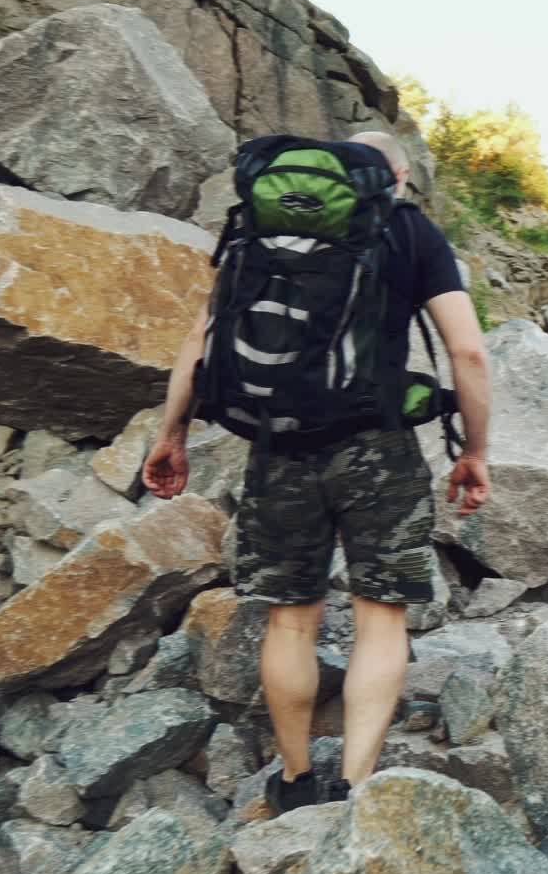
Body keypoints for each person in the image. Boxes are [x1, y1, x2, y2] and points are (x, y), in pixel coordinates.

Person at [141, 131, 491, 811]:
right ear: (395, 175)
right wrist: (473, 451)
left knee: (291, 622)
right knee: (381, 620)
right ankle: (356, 789)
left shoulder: (259, 230)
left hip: (278, 448)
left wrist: (171, 434)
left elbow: (200, 339)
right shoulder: (410, 230)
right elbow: (468, 352)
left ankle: (297, 780)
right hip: (378, 450)